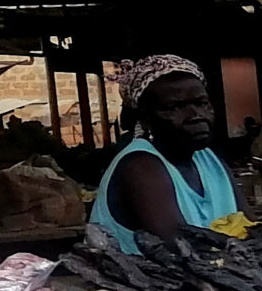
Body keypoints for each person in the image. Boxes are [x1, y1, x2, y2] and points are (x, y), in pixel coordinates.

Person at [87, 54, 240, 253]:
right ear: (146, 119)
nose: (196, 116)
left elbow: (249, 227)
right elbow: (184, 249)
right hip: (144, 282)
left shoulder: (210, 160)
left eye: (202, 103)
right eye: (173, 108)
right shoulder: (140, 166)